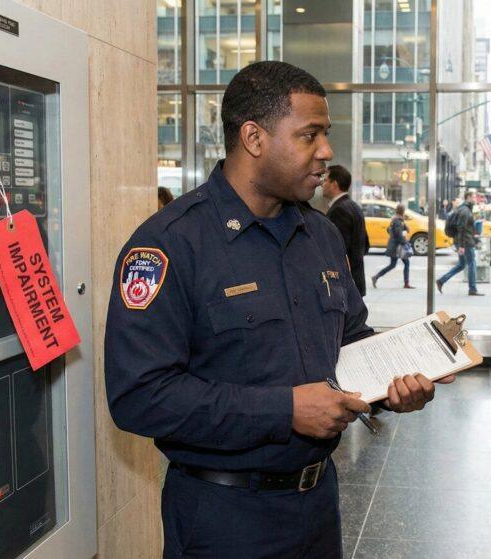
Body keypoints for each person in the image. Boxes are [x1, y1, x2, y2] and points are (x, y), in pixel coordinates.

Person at [104, 61, 452, 559]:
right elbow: (139, 396)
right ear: (253, 138)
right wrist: (286, 411)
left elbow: (351, 345)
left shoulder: (322, 236)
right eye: (309, 135)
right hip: (222, 520)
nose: (326, 152)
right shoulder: (170, 245)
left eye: (325, 135)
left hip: (317, 507)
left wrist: (393, 384)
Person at [321, 164, 370, 296]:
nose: (322, 184)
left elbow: (336, 252)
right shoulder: (354, 207)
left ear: (334, 184)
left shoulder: (339, 210)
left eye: (325, 180)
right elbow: (365, 245)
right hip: (355, 282)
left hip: (344, 285)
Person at [436, 191, 483, 296]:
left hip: (463, 240)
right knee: (471, 263)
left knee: (462, 265)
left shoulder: (463, 209)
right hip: (465, 242)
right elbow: (461, 228)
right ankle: (472, 289)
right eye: (474, 197)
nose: (475, 199)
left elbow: (465, 227)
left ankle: (441, 281)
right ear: (468, 197)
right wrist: (461, 246)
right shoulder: (465, 211)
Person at [370, 204, 414, 289]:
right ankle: (376, 277)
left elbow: (390, 230)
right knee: (396, 264)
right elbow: (398, 234)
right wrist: (405, 243)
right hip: (397, 247)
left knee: (398, 264)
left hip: (396, 246)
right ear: (402, 211)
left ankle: (377, 277)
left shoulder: (397, 220)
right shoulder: (397, 221)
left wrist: (405, 226)